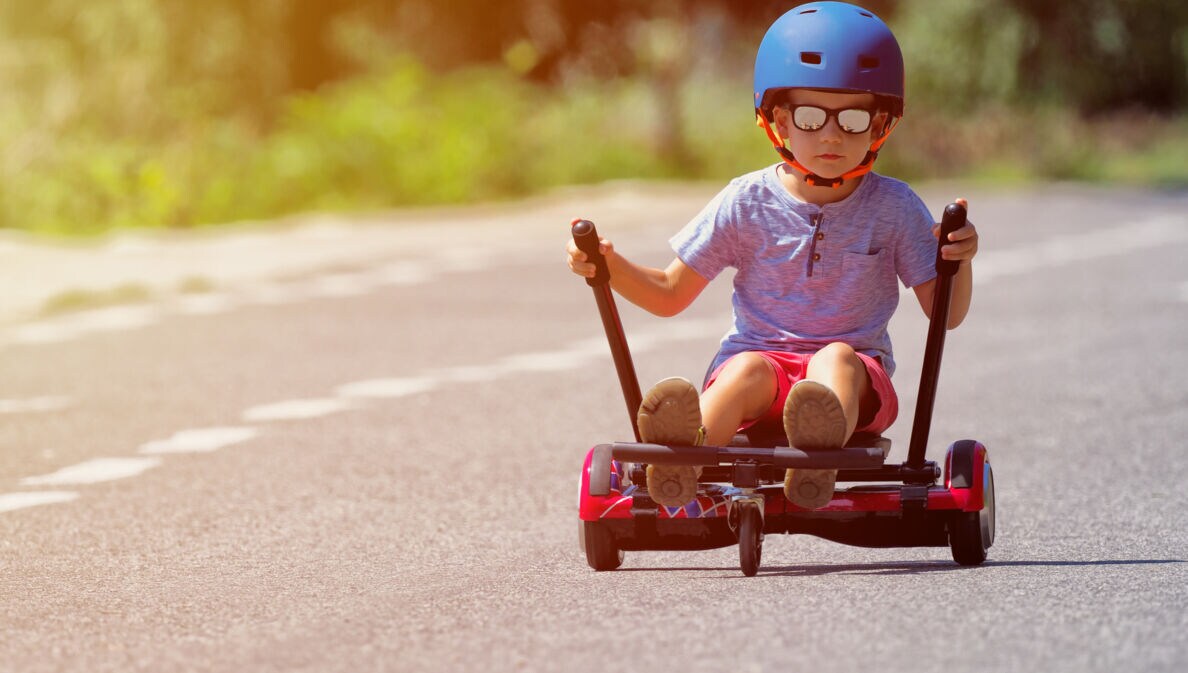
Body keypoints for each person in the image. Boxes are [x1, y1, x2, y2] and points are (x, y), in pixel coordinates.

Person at [566, 1, 979, 510]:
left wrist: (957, 260)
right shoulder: (746, 201)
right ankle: (682, 458)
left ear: (880, 125)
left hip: (854, 381)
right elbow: (670, 294)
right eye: (810, 116)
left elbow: (947, 314)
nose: (830, 134)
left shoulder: (895, 207)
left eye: (851, 118)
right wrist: (609, 266)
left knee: (836, 359)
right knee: (743, 369)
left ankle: (817, 456)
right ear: (779, 119)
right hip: (762, 371)